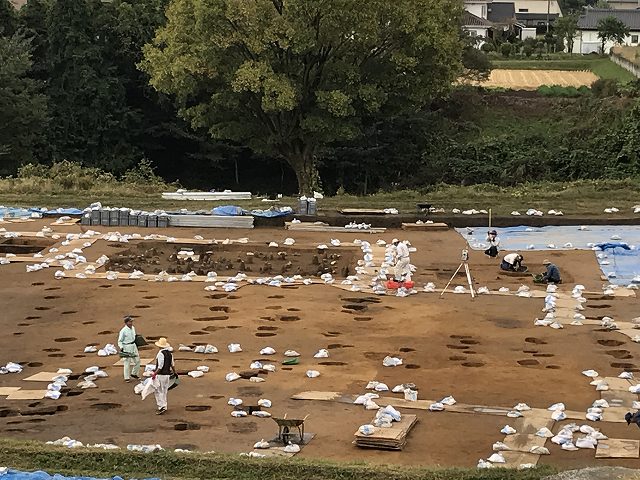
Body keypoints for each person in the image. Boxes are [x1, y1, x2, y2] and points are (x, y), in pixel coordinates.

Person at [152, 337, 176, 415]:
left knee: (158, 391)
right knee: (165, 391)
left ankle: (161, 406)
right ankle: (164, 406)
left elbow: (160, 366)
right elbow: (172, 364)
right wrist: (174, 372)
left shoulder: (160, 354)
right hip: (167, 375)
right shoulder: (170, 354)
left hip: (161, 375)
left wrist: (154, 373)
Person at [117, 315, 140, 383]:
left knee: (137, 360)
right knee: (127, 362)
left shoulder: (133, 328)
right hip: (126, 346)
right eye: (130, 321)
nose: (131, 323)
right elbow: (120, 340)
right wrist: (121, 348)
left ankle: (134, 373)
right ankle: (126, 377)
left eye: (131, 321)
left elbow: (134, 336)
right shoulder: (123, 331)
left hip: (133, 345)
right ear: (126, 322)